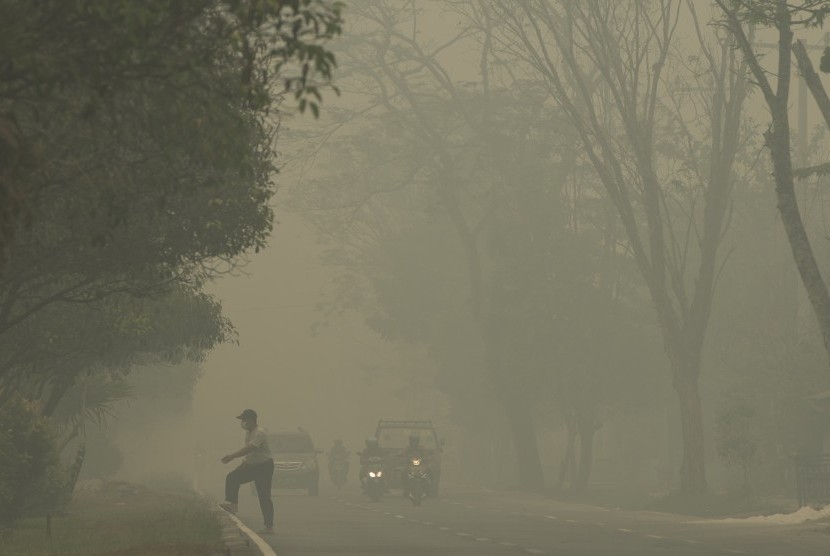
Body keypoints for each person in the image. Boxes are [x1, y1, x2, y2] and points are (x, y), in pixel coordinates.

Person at [219, 409, 275, 535]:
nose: (242, 423)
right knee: (232, 477)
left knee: (264, 496)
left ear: (251, 420)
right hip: (251, 465)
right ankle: (233, 504)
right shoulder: (249, 432)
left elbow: (249, 448)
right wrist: (244, 463)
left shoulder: (259, 433)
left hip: (264, 467)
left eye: (244, 420)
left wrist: (231, 456)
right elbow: (250, 453)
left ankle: (269, 526)